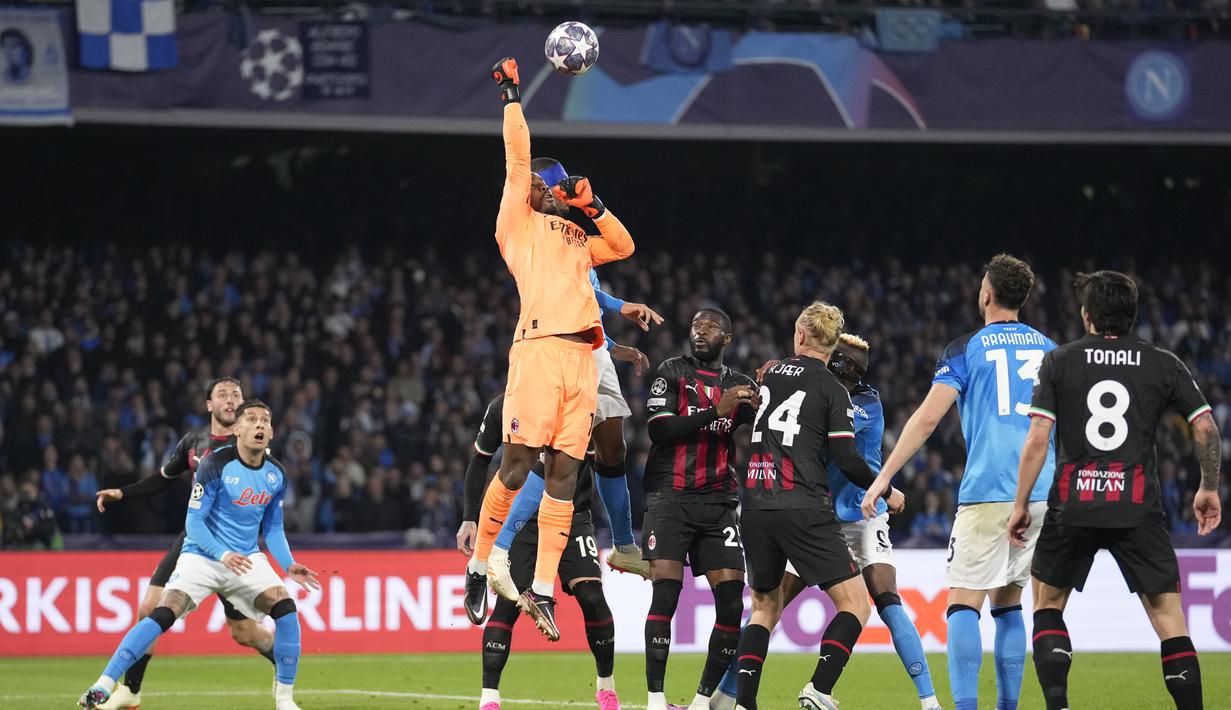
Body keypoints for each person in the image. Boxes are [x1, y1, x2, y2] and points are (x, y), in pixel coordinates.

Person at [466, 56, 636, 642]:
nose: (556, 192)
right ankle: (480, 564)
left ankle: (540, 587)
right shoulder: (518, 225)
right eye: (551, 185)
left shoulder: (576, 235)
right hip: (538, 351)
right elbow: (517, 160)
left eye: (562, 185)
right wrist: (512, 98)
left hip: (583, 359)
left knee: (565, 472)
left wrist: (593, 205)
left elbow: (623, 246)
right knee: (516, 465)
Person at [1008, 270, 1223, 710]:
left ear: (1086, 315)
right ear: (1132, 315)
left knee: (1047, 604)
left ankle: (1058, 705)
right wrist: (1208, 487)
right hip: (1137, 507)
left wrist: (1021, 503)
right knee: (1169, 620)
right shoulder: (1164, 363)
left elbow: (1037, 438)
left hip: (1074, 504)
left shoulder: (1059, 361)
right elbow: (1205, 426)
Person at [863, 254, 1057, 710]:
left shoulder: (965, 349)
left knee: (963, 604)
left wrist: (884, 476)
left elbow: (927, 419)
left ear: (987, 294)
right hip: (1043, 491)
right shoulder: (1052, 349)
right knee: (1009, 604)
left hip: (989, 489)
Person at [711, 334, 939, 710]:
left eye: (856, 367)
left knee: (886, 599)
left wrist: (778, 377)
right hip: (814, 516)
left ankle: (929, 701)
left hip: (861, 515)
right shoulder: (823, 389)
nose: (851, 371)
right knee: (770, 606)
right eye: (847, 362)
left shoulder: (865, 403)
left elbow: (842, 453)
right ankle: (725, 695)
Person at [79, 400, 319, 710]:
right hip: (202, 554)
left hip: (245, 559)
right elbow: (193, 522)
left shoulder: (276, 474)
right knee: (164, 610)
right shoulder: (215, 464)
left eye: (265, 420)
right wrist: (221, 554)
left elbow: (273, 528)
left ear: (271, 432)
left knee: (285, 607)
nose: (259, 424)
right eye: (252, 419)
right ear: (238, 428)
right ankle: (104, 684)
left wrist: (289, 564)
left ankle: (285, 700)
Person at [460, 262, 659, 625]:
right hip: (551, 351)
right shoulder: (549, 247)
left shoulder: (584, 250)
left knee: (611, 449)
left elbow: (586, 308)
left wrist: (613, 347)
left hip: (592, 352)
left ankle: (622, 546)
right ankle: (493, 555)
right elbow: (576, 293)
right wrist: (621, 306)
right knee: (537, 461)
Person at [734, 302, 897, 710]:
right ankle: (820, 688)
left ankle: (743, 702)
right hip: (803, 504)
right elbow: (847, 459)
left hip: (755, 503)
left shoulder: (770, 374)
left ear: (801, 335)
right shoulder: (832, 389)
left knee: (763, 609)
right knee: (855, 604)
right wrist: (885, 490)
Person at [460, 394, 623, 710]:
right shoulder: (503, 406)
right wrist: (469, 517)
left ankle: (607, 688)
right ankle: (489, 699)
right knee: (507, 605)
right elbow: (480, 460)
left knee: (592, 596)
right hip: (523, 522)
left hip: (571, 515)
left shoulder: (579, 403)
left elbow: (597, 466)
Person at [641, 307, 759, 710]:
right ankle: (656, 701)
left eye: (710, 327)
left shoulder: (739, 385)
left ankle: (701, 701)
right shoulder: (672, 372)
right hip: (669, 497)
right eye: (696, 325)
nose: (700, 331)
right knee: (666, 594)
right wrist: (715, 411)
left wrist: (769, 388)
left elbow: (768, 421)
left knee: (732, 601)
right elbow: (658, 428)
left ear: (727, 338)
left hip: (718, 503)